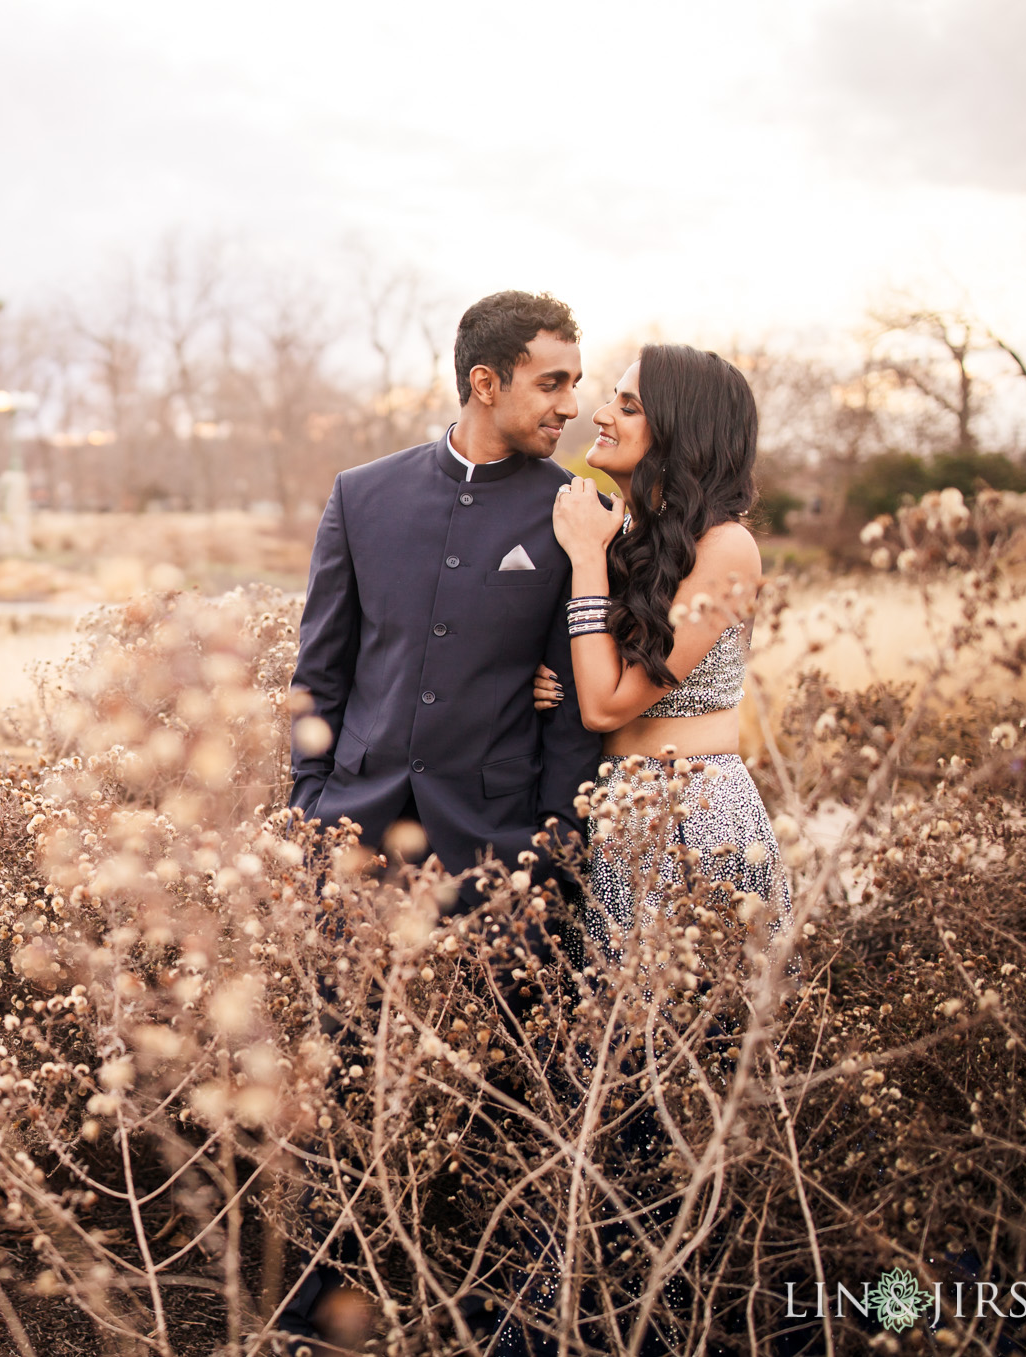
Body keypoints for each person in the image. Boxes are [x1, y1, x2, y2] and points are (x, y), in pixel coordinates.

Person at [277, 291, 604, 1350]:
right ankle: (326, 1308)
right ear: (485, 382)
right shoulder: (361, 497)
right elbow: (317, 672)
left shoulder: (572, 512)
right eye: (551, 380)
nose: (569, 400)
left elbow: (575, 702)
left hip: (500, 851)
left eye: (573, 379)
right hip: (356, 839)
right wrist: (308, 807)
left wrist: (551, 843)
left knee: (494, 1090)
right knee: (342, 1069)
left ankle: (482, 1308)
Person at [535, 343, 792, 960]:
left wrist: (588, 559)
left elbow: (608, 706)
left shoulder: (726, 547)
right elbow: (604, 676)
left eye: (628, 406)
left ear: (682, 431)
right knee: (603, 1039)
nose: (599, 414)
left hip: (691, 819)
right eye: (611, 399)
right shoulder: (627, 535)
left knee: (682, 1044)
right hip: (611, 812)